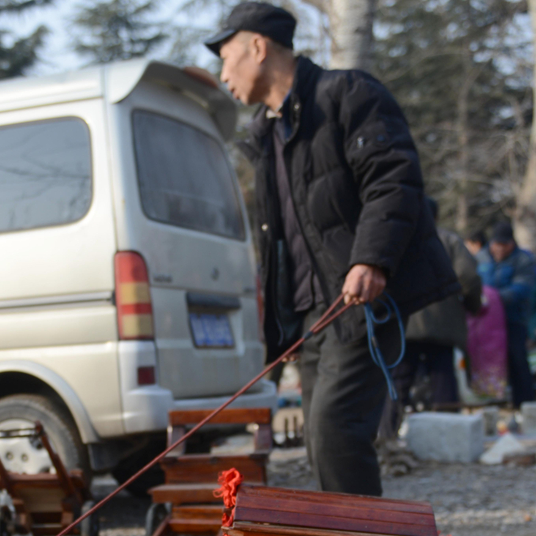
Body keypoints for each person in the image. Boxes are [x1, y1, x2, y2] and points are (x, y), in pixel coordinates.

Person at [207, 2, 459, 495]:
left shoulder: (347, 94)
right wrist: (280, 332)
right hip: (311, 318)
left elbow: (393, 180)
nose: (223, 74)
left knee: (334, 430)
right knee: (321, 442)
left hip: (360, 303)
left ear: (257, 47)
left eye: (225, 57)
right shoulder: (267, 134)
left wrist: (371, 258)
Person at [382, 199, 482, 435]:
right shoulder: (449, 240)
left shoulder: (398, 237)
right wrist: (471, 304)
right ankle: (448, 436)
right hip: (442, 322)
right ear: (435, 217)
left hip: (405, 321)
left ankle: (387, 434)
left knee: (399, 379)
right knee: (443, 377)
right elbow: (468, 275)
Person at [476, 221, 535, 407]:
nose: (499, 249)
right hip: (486, 322)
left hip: (514, 319)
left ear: (512, 243)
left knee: (517, 359)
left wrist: (492, 298)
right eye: (496, 244)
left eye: (504, 244)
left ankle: (524, 404)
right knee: (488, 361)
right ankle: (492, 403)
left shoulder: (524, 260)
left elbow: (522, 289)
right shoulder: (481, 258)